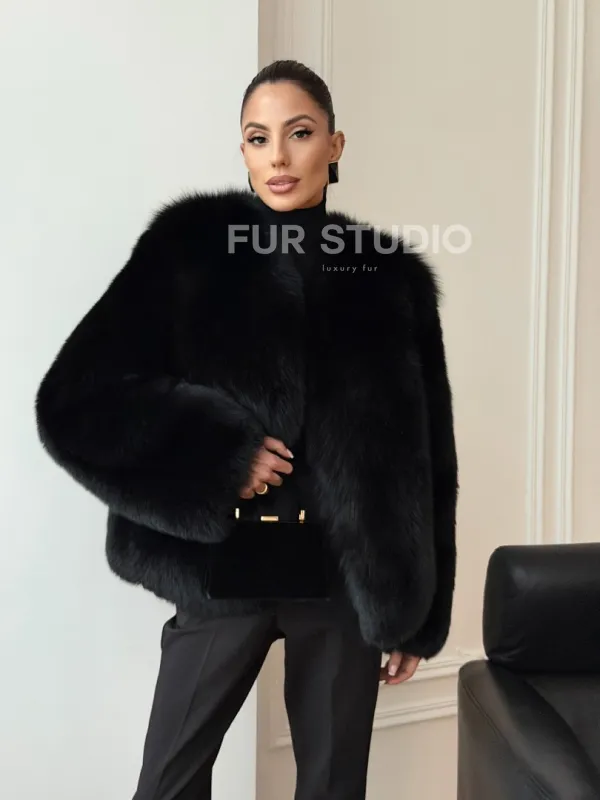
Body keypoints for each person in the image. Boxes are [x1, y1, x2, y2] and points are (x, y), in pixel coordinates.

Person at [34, 59, 458, 800]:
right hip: (220, 570)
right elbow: (76, 399)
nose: (279, 156)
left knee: (333, 789)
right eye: (259, 138)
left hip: (342, 581)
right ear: (243, 151)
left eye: (300, 133)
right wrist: (219, 455)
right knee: (167, 784)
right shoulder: (189, 248)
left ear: (335, 144)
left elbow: (430, 456)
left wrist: (419, 611)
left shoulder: (389, 277)